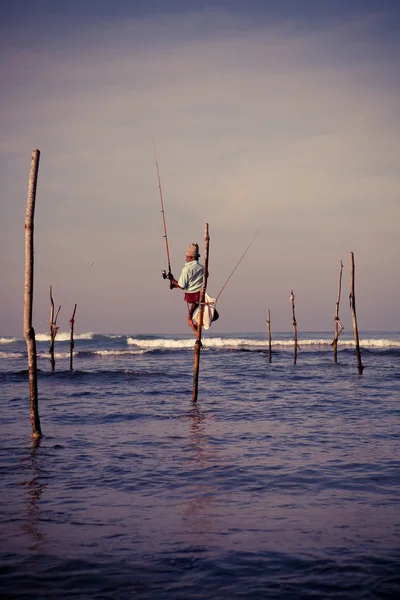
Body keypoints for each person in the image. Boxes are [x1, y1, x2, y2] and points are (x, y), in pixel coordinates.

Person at [168, 243, 204, 333]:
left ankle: (190, 315)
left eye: (187, 257)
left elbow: (182, 285)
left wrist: (172, 279)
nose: (186, 259)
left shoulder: (186, 269)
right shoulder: (202, 268)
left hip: (191, 295)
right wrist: (174, 284)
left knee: (205, 314)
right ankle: (193, 319)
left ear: (192, 258)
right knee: (211, 314)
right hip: (200, 294)